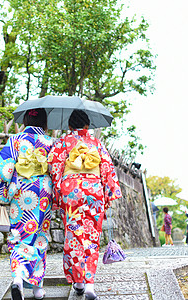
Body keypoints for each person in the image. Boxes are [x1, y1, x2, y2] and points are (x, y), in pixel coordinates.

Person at [48, 109, 122, 300]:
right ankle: (89, 284)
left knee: (73, 235)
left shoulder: (63, 143)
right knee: (91, 236)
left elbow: (54, 168)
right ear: (88, 126)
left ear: (70, 126)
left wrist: (58, 193)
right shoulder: (96, 143)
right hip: (93, 192)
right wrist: (108, 194)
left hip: (71, 192)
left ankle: (78, 282)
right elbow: (107, 169)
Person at [0, 108, 53, 300]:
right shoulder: (49, 141)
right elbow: (56, 168)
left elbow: (4, 171)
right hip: (43, 192)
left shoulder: (15, 140)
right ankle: (37, 289)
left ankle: (18, 277)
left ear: (26, 119)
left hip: (20, 191)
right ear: (45, 122)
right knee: (39, 235)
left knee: (19, 234)